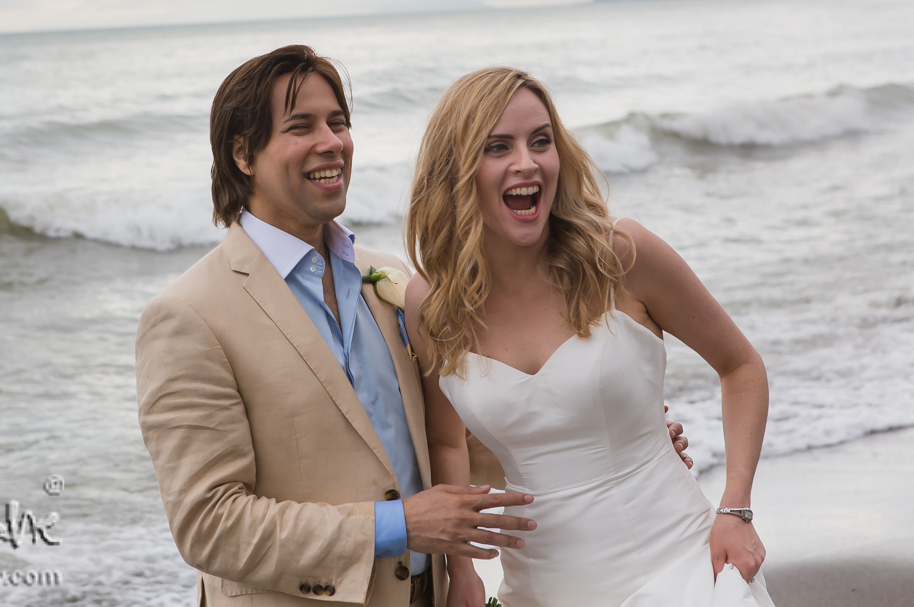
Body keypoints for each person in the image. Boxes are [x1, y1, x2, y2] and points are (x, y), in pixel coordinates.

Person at [136, 46, 692, 607]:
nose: (331, 142)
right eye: (300, 127)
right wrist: (396, 526)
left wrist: (611, 440)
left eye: (339, 123)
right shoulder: (189, 316)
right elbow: (209, 524)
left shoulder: (394, 281)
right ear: (242, 155)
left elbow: (440, 441)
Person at [404, 67, 775, 607]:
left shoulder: (622, 255)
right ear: (456, 172)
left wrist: (736, 507)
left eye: (540, 142)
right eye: (497, 147)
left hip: (682, 568)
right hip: (539, 589)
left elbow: (740, 366)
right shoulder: (432, 302)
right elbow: (447, 442)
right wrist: (461, 570)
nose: (526, 163)